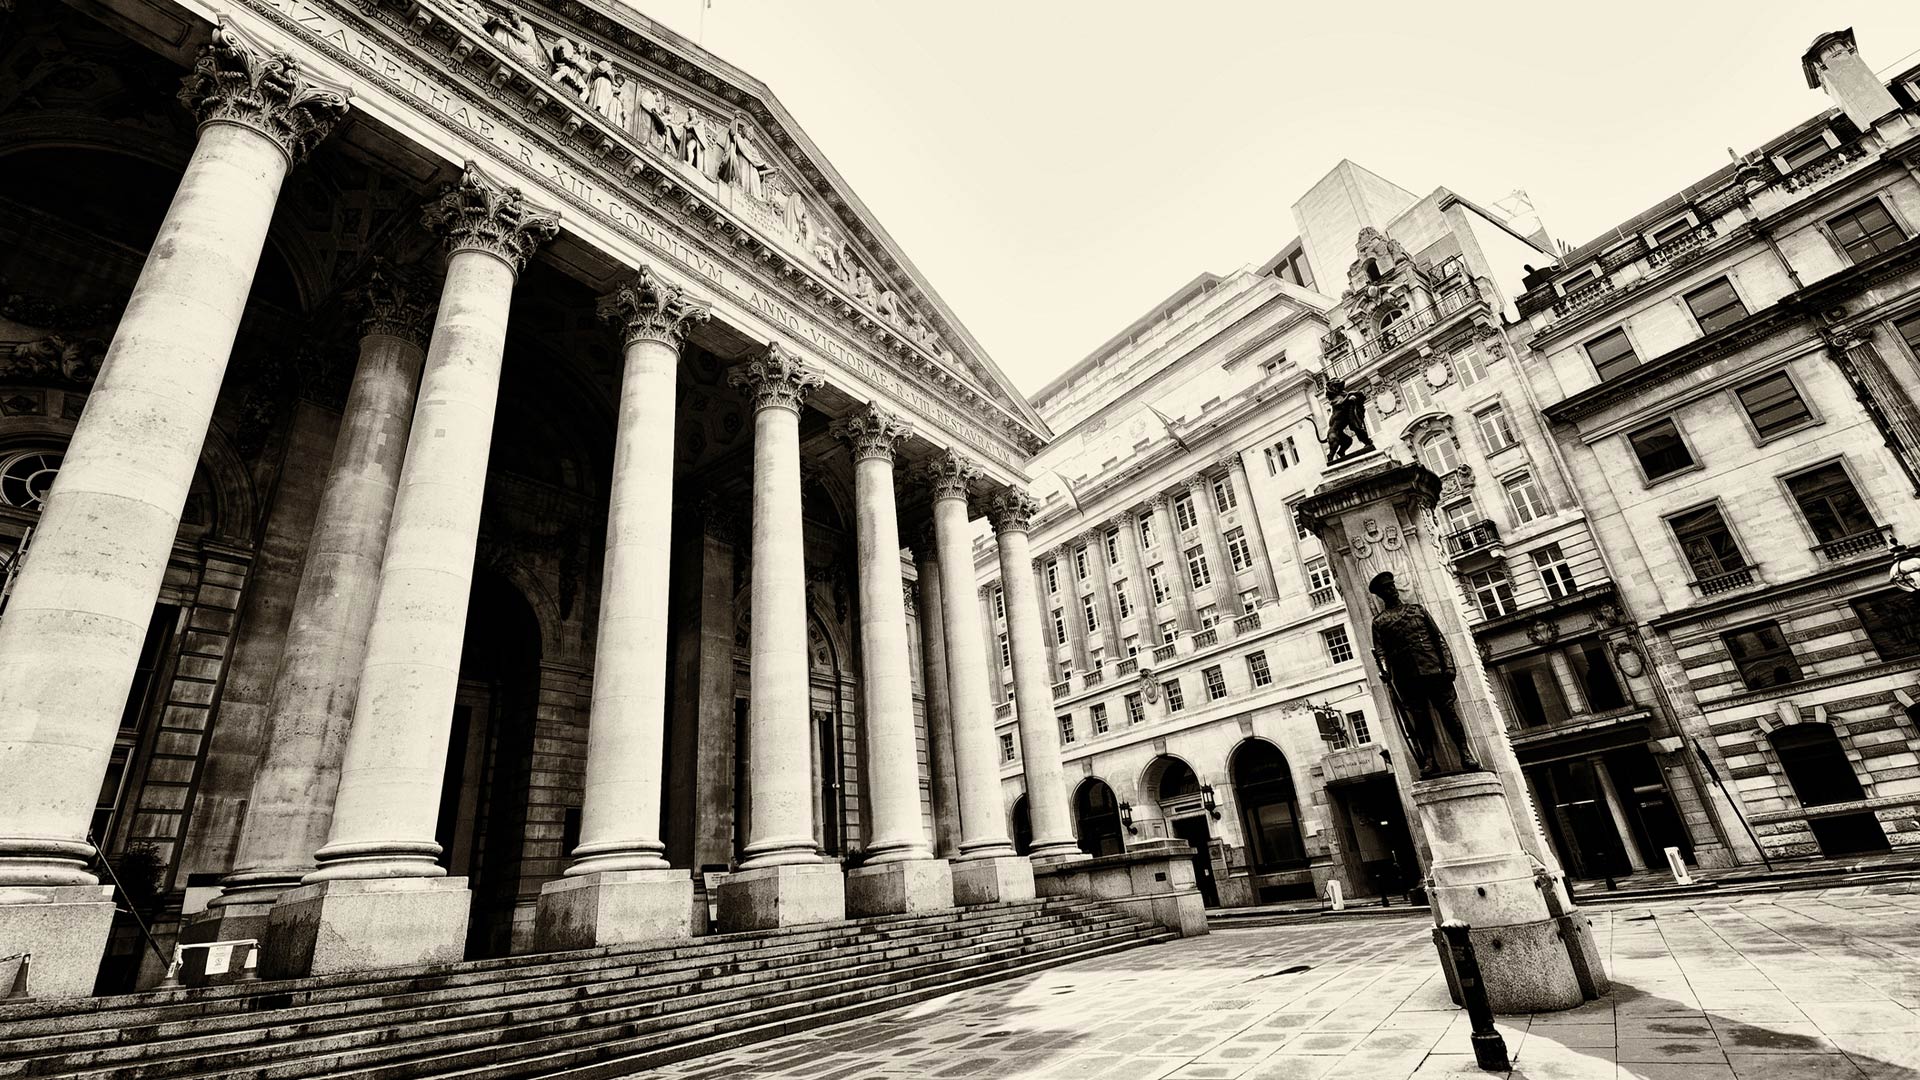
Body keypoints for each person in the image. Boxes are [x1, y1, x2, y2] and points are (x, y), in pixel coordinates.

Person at [1368, 571, 1481, 778]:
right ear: (1381, 595)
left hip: (1433, 669)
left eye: (1392, 587)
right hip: (1406, 676)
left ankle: (1465, 753)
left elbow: (1438, 639)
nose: (1391, 591)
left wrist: (1449, 666)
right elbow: (1380, 651)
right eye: (1386, 589)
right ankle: (1429, 760)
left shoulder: (1417, 610)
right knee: (1420, 721)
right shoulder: (1379, 622)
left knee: (1448, 713)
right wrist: (1384, 671)